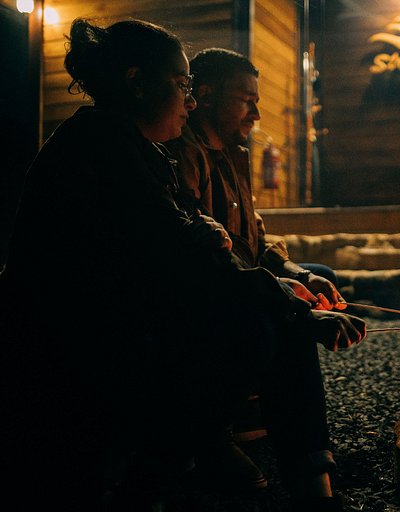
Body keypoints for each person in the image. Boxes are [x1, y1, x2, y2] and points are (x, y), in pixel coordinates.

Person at [0, 18, 364, 512]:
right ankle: (157, 472)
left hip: (115, 325)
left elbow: (211, 240)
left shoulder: (131, 147)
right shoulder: (103, 151)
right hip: (69, 346)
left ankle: (292, 476)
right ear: (136, 82)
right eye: (181, 85)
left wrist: (284, 280)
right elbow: (185, 260)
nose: (189, 102)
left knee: (272, 312)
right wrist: (294, 308)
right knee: (259, 327)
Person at [168, 47, 345, 311]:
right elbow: (205, 257)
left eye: (256, 103)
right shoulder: (183, 154)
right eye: (246, 101)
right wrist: (278, 286)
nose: (256, 115)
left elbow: (257, 241)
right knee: (292, 304)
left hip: (246, 274)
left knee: (320, 276)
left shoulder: (234, 158)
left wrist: (300, 275)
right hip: (215, 287)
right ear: (205, 96)